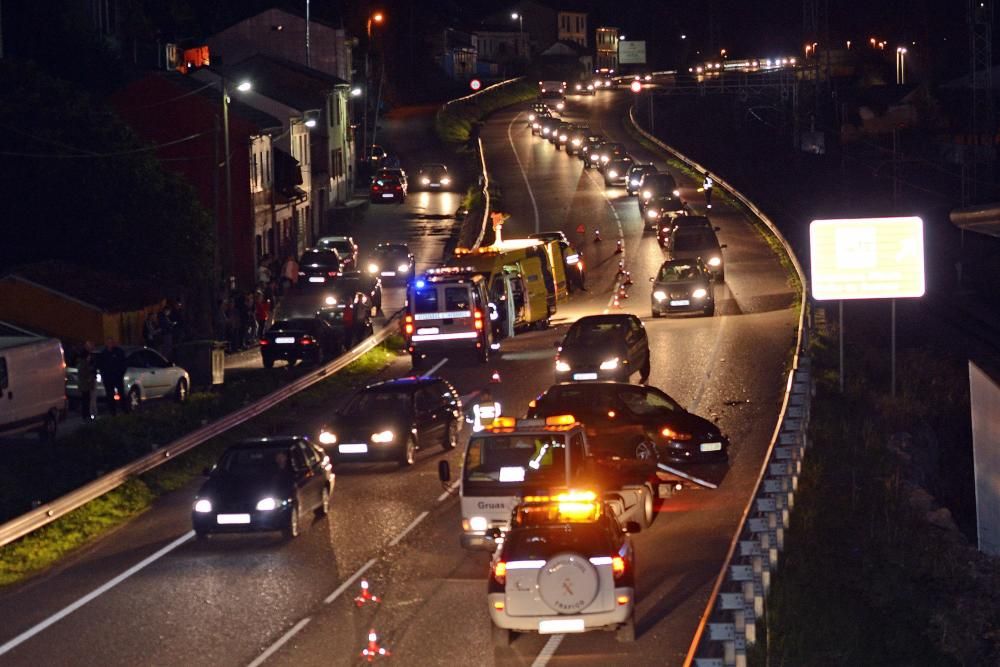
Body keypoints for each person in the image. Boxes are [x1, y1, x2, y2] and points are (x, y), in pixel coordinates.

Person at [97, 337, 128, 415]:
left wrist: (120, 374)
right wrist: (104, 376)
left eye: (111, 342)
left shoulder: (119, 352)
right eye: (108, 343)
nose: (110, 344)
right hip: (108, 378)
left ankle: (124, 410)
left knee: (121, 394)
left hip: (117, 377)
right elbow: (101, 366)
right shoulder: (103, 353)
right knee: (110, 396)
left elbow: (123, 364)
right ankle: (112, 412)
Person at [76, 341, 98, 421]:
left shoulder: (85, 356)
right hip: (86, 382)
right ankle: (87, 415)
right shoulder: (84, 358)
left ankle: (87, 415)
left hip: (86, 382)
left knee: (87, 399)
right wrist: (90, 376)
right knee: (86, 399)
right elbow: (85, 370)